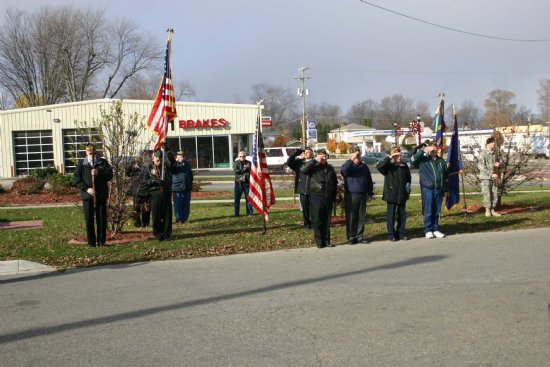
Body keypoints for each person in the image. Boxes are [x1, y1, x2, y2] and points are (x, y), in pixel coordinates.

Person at [74, 143, 113, 247]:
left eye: (92, 152)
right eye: (88, 152)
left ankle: (101, 242)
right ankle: (91, 243)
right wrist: (86, 189)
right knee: (89, 219)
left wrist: (98, 172)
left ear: (95, 152)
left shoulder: (102, 162)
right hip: (88, 196)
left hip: (100, 195)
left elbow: (110, 175)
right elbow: (77, 179)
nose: (90, 154)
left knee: (101, 218)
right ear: (86, 152)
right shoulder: (81, 163)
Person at [301, 149, 337, 248]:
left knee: (326, 221)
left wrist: (333, 197)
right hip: (316, 196)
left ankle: (327, 241)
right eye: (321, 156)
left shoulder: (330, 168)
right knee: (317, 220)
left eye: (325, 156)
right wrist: (314, 160)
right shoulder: (314, 167)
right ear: (317, 157)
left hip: (328, 197)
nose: (323, 158)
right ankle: (319, 242)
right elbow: (303, 170)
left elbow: (334, 183)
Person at [412, 141, 448, 239]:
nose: (433, 151)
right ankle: (428, 230)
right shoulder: (423, 161)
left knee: (437, 211)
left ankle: (435, 229)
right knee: (428, 210)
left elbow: (445, 176)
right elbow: (413, 159)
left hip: (439, 189)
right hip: (428, 188)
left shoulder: (441, 162)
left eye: (435, 149)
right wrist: (424, 151)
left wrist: (445, 189)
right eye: (431, 149)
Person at [377, 147, 412, 241]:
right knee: (391, 215)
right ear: (393, 157)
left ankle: (401, 232)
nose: (400, 158)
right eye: (397, 156)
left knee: (402, 215)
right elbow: (379, 167)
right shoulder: (388, 166)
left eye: (400, 156)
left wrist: (408, 191)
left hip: (402, 194)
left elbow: (408, 179)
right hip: (391, 194)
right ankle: (391, 234)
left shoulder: (404, 166)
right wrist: (390, 157)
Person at [340, 147, 374, 245]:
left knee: (361, 216)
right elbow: (344, 172)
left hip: (362, 194)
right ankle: (351, 236)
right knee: (351, 216)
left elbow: (369, 181)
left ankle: (359, 236)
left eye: (359, 155)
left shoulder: (364, 167)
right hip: (351, 194)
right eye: (356, 155)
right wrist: (351, 160)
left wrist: (370, 193)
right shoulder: (348, 165)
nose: (358, 157)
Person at [143, 149, 174, 241]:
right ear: (153, 158)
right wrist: (154, 181)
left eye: (160, 159)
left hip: (166, 193)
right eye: (157, 159)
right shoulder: (148, 168)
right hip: (155, 194)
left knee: (167, 216)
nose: (159, 161)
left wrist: (166, 150)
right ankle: (158, 234)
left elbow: (172, 163)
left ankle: (166, 234)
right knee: (156, 216)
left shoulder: (165, 167)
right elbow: (145, 181)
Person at [286, 147, 314, 228]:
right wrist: (297, 153)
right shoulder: (299, 163)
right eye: (304, 152)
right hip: (302, 189)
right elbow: (289, 162)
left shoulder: (315, 162)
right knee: (305, 208)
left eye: (308, 152)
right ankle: (307, 224)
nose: (306, 154)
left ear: (311, 154)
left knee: (312, 208)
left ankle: (313, 223)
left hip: (312, 189)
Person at [478, 137, 502, 217]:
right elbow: (481, 166)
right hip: (486, 178)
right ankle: (487, 210)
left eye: (494, 143)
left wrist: (499, 165)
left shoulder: (495, 154)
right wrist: (490, 174)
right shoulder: (483, 153)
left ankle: (493, 210)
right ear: (488, 143)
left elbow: (501, 163)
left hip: (494, 177)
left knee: (494, 193)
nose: (494, 144)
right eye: (492, 143)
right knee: (487, 194)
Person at [126, 156, 150, 228]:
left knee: (146, 208)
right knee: (136, 208)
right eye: (136, 161)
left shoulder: (146, 168)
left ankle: (145, 223)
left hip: (146, 191)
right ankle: (137, 223)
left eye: (139, 161)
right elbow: (127, 172)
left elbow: (149, 177)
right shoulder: (133, 169)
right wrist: (131, 164)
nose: (138, 162)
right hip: (136, 191)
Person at [172, 150, 194, 224]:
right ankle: (178, 219)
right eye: (180, 155)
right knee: (178, 205)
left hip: (187, 187)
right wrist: (175, 161)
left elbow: (190, 175)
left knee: (186, 205)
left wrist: (190, 185)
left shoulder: (187, 164)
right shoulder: (174, 164)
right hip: (177, 187)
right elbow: (170, 168)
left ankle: (185, 219)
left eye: (182, 155)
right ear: (177, 156)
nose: (181, 157)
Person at [233, 151, 253, 217]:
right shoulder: (236, 163)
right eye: (240, 156)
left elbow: (251, 171)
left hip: (247, 183)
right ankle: (236, 214)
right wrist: (244, 168)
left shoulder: (249, 163)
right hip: (239, 183)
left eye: (243, 156)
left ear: (245, 156)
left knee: (248, 199)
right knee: (237, 199)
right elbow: (236, 171)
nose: (242, 157)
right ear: (238, 157)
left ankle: (249, 213)